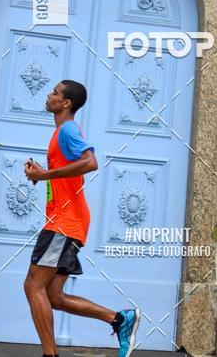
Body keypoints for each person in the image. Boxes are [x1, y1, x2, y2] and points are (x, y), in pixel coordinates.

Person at [24, 79, 140, 357]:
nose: (49, 95)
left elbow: (91, 162)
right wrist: (43, 175)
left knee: (33, 286)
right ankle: (119, 319)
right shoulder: (60, 133)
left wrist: (45, 175)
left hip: (63, 224)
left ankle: (49, 355)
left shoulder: (68, 130)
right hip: (69, 221)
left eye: (55, 93)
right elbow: (69, 174)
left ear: (66, 103)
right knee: (53, 296)